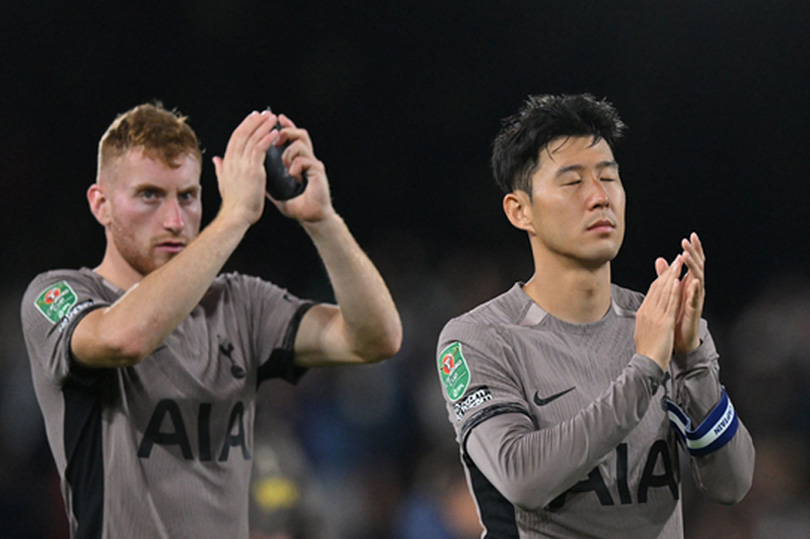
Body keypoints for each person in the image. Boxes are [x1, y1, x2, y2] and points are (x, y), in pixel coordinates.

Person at [20, 102, 402, 538]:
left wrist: (322, 220)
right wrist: (235, 215)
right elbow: (124, 338)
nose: (174, 220)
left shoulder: (240, 304)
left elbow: (376, 339)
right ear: (101, 204)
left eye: (187, 196)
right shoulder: (57, 295)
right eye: (150, 195)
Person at [435, 94, 754, 538]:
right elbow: (523, 479)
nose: (600, 197)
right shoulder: (481, 338)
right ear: (520, 210)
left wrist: (692, 359)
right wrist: (645, 369)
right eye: (572, 182)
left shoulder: (660, 322)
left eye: (608, 177)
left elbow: (732, 484)